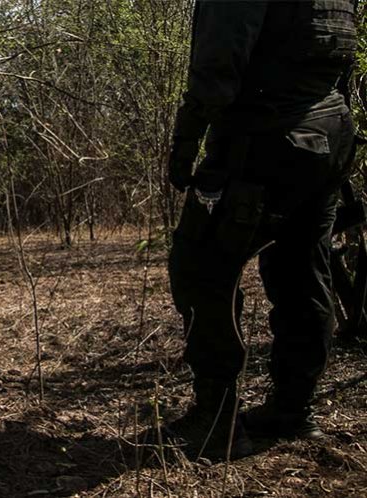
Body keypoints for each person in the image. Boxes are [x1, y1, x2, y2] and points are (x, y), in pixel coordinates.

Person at [165, 0, 357, 459]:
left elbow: (217, 63)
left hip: (262, 142)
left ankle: (217, 421)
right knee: (302, 268)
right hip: (328, 136)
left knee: (200, 270)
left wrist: (185, 140)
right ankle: (293, 410)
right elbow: (340, 56)